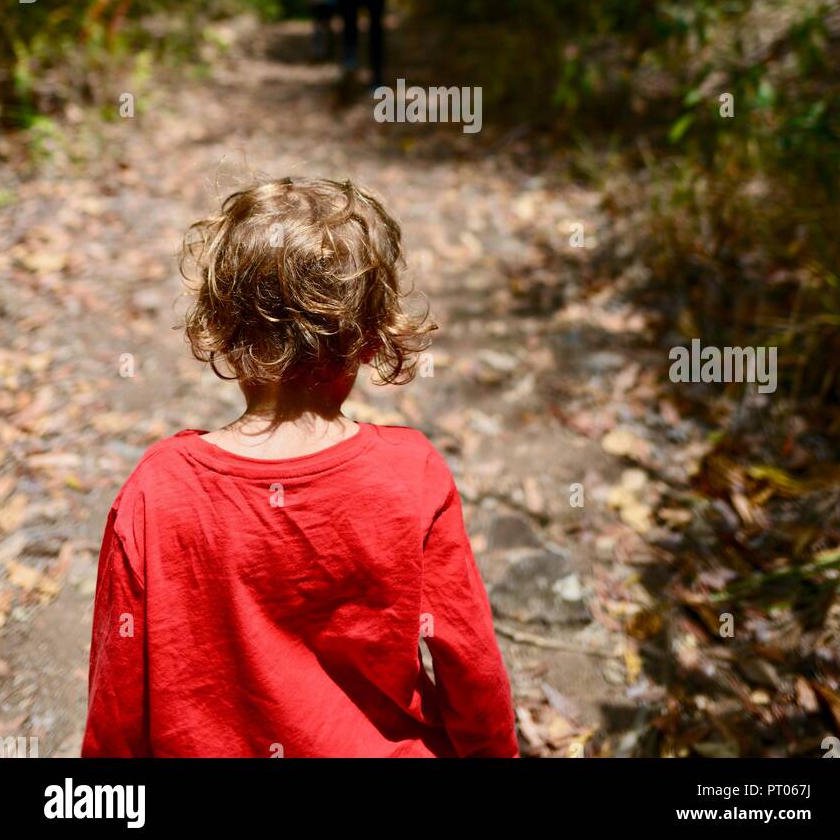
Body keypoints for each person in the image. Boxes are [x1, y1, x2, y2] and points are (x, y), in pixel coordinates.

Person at [81, 177, 519, 759]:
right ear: (370, 339)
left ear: (223, 330)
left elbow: (116, 697)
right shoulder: (412, 473)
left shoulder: (158, 488)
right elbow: (470, 662)